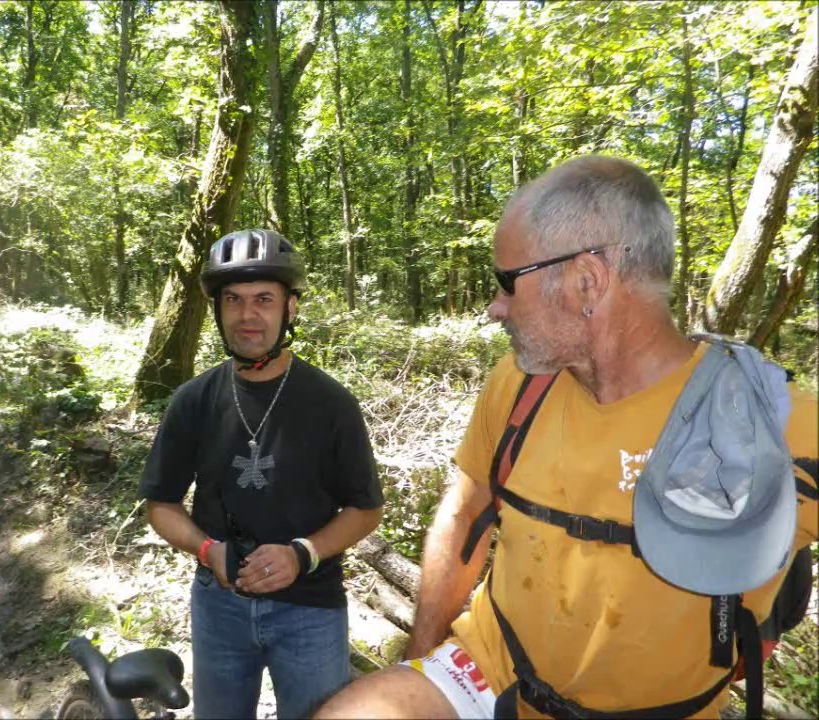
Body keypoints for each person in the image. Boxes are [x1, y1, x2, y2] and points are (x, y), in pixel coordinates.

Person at [315, 156, 818, 719]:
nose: (494, 307)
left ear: (586, 280)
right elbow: (463, 515)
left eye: (507, 282)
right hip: (489, 671)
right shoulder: (517, 386)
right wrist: (421, 660)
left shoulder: (775, 424)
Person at [140, 229, 383, 719]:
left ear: (290, 308)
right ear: (217, 310)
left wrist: (302, 553)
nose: (247, 315)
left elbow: (365, 509)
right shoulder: (194, 401)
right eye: (233, 300)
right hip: (219, 608)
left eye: (263, 299)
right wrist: (208, 551)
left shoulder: (330, 403)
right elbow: (160, 504)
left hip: (311, 609)